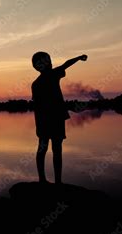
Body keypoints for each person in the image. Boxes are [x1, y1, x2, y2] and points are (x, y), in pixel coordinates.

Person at [31, 52, 88, 184]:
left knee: (42, 149)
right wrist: (79, 58)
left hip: (43, 122)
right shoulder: (51, 75)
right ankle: (58, 182)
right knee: (57, 150)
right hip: (55, 120)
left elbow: (38, 106)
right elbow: (66, 64)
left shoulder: (36, 83)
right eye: (48, 61)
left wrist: (39, 124)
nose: (51, 63)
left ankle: (42, 179)